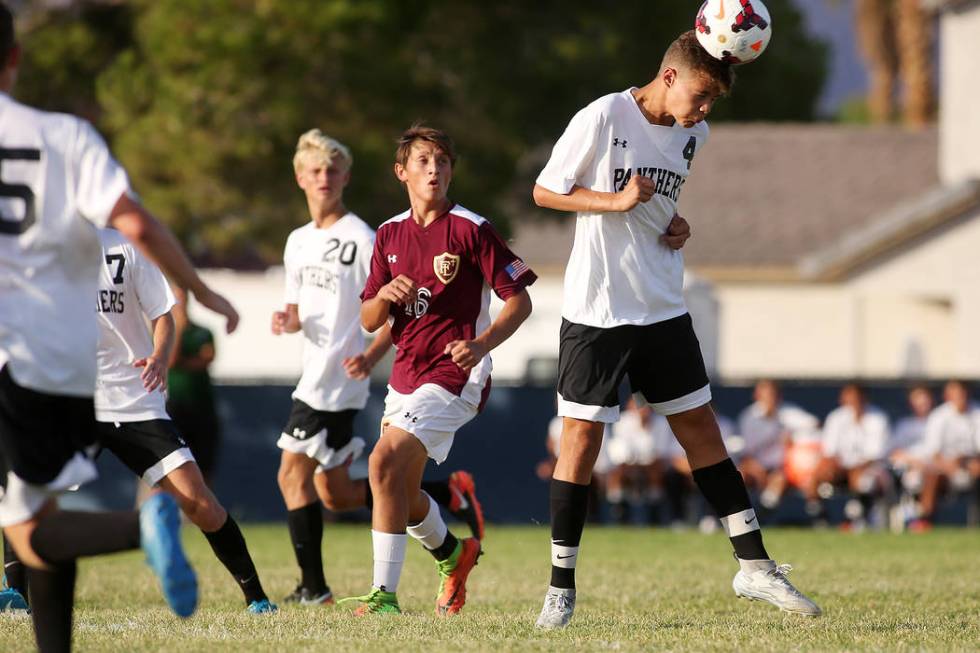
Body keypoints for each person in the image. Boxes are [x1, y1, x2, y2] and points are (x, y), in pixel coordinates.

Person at [530, 30, 820, 628]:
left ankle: (755, 569)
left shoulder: (695, 133)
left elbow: (658, 204)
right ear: (669, 77)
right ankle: (560, 588)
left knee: (703, 433)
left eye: (714, 98)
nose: (706, 108)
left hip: (662, 304)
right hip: (599, 310)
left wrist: (675, 224)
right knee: (580, 445)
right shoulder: (604, 114)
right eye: (703, 93)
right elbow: (545, 192)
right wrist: (611, 202)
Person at [0, 4, 238, 649]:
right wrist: (199, 286)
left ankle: (142, 528)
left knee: (29, 524)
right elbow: (134, 221)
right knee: (32, 520)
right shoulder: (67, 137)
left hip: (16, 361)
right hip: (60, 361)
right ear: (14, 58)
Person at [272, 129, 484, 606]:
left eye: (333, 169)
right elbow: (313, 308)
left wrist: (369, 356)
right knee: (339, 493)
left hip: (338, 379)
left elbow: (395, 312)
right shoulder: (297, 242)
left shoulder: (364, 236)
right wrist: (288, 319)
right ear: (299, 177)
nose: (324, 178)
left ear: (347, 176)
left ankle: (316, 588)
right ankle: (446, 509)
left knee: (295, 474)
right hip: (317, 371)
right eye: (315, 170)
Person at [341, 124, 535, 616]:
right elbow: (369, 319)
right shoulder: (387, 234)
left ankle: (384, 596)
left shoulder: (472, 228)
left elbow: (520, 300)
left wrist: (481, 342)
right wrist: (383, 296)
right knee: (402, 495)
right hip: (404, 376)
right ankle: (455, 553)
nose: (435, 169)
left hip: (455, 374)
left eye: (443, 161)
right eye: (424, 161)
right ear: (401, 171)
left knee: (381, 463)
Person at [92, 227, 275, 613]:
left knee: (198, 500)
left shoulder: (126, 245)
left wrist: (159, 357)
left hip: (133, 398)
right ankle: (18, 590)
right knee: (31, 494)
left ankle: (256, 596)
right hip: (72, 398)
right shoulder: (42, 243)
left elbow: (164, 314)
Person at [807, 384, 891, 528]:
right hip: (841, 467)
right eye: (850, 398)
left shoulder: (878, 419)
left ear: (865, 398)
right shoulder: (836, 417)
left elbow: (876, 455)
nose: (854, 403)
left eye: (857, 398)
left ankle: (854, 518)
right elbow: (829, 451)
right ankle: (819, 517)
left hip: (869, 468)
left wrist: (854, 469)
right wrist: (834, 468)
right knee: (816, 474)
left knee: (864, 479)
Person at [737, 380, 820, 518]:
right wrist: (757, 469)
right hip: (754, 467)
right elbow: (746, 453)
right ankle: (735, 516)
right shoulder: (748, 417)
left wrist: (795, 438)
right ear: (757, 396)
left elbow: (814, 424)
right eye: (766, 395)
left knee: (781, 479)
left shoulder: (788, 412)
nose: (770, 399)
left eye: (773, 395)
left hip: (781, 469)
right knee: (739, 476)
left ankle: (762, 513)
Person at [167, 286, 221, 484]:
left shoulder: (203, 332)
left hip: (202, 406)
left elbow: (207, 358)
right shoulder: (165, 333)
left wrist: (185, 362)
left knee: (205, 466)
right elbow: (170, 361)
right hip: (176, 407)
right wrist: (179, 328)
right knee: (172, 467)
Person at [913, 380, 980, 529]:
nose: (960, 397)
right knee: (931, 475)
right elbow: (933, 452)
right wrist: (949, 465)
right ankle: (925, 519)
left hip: (969, 464)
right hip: (944, 466)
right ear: (947, 396)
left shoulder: (977, 413)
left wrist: (967, 462)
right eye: (956, 394)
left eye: (962, 393)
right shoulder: (939, 416)